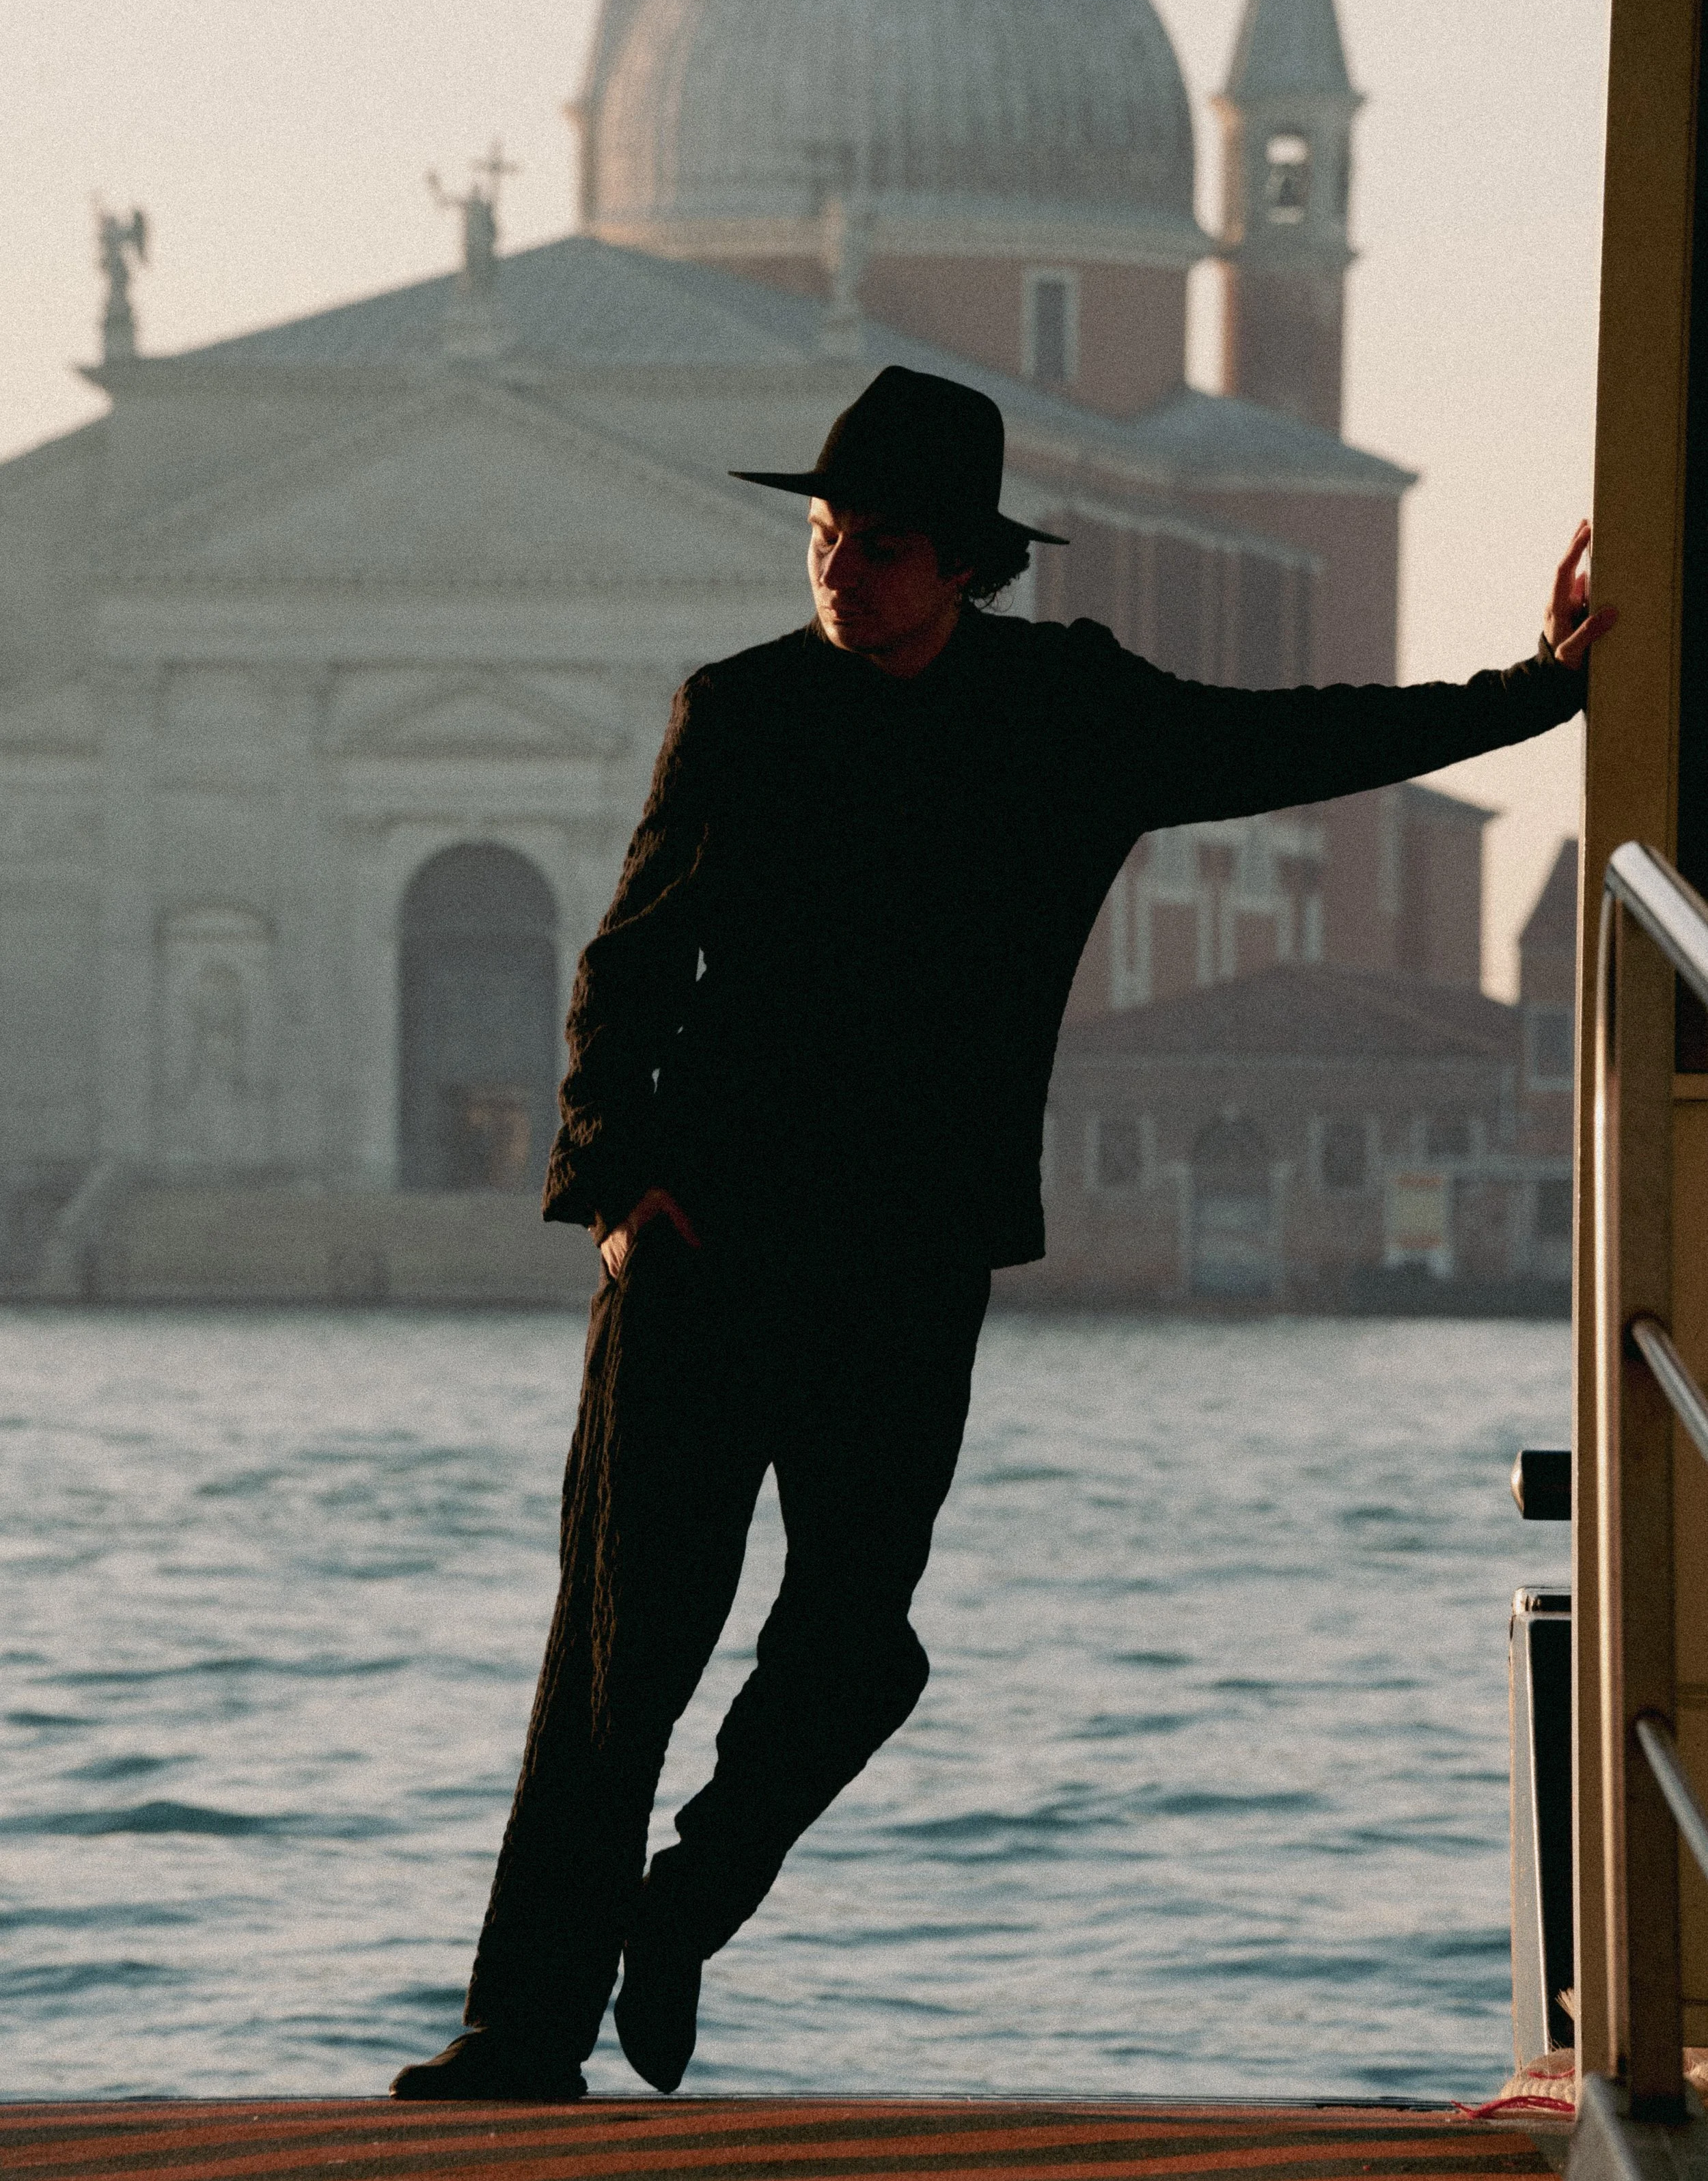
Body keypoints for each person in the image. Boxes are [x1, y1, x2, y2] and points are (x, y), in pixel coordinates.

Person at [391, 364, 1613, 2104]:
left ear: (963, 562)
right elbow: (624, 962)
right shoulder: (736, 710)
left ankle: (684, 1909)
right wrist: (611, 1177)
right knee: (615, 1656)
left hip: (907, 1263)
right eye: (820, 539)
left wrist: (1534, 696)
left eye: (876, 546)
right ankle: (520, 2034)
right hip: (699, 1250)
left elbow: (1297, 736)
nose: (838, 573)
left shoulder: (1070, 711)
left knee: (851, 1646)